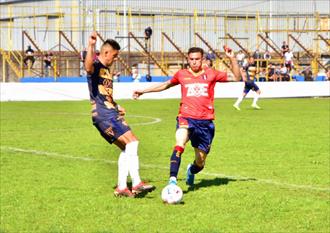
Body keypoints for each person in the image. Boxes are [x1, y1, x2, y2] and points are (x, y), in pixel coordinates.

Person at [133, 46, 241, 188]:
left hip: (205, 122)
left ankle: (191, 170)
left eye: (197, 59)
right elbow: (166, 85)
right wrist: (143, 91)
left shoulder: (211, 74)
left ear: (202, 59)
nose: (194, 62)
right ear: (187, 59)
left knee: (200, 162)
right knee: (179, 144)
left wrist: (232, 57)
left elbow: (237, 77)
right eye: (191, 59)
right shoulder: (181, 74)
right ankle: (172, 181)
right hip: (186, 117)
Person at [84, 31, 155, 198]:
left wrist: (116, 106)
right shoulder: (95, 66)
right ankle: (137, 183)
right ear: (106, 52)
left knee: (126, 148)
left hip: (107, 112)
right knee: (133, 142)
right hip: (104, 114)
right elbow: (87, 67)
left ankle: (122, 187)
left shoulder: (106, 71)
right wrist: (91, 45)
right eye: (114, 56)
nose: (115, 59)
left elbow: (104, 95)